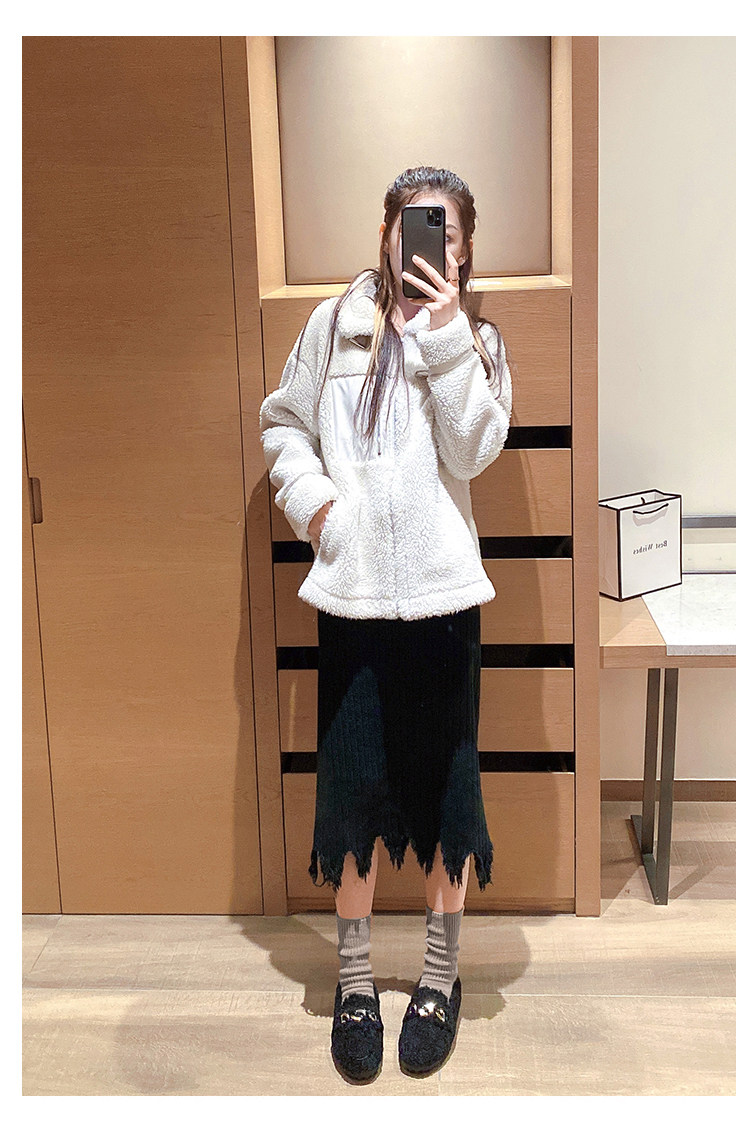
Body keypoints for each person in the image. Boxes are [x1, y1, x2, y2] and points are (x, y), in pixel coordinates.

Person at [259, 166, 513, 1082]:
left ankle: (440, 978)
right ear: (385, 231)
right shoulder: (332, 327)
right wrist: (321, 511)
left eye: (445, 232)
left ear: (464, 250)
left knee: (448, 796)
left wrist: (444, 336)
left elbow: (473, 451)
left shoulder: (478, 342)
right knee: (352, 792)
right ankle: (357, 980)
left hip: (444, 606)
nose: (426, 244)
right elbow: (284, 426)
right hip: (354, 601)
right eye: (412, 226)